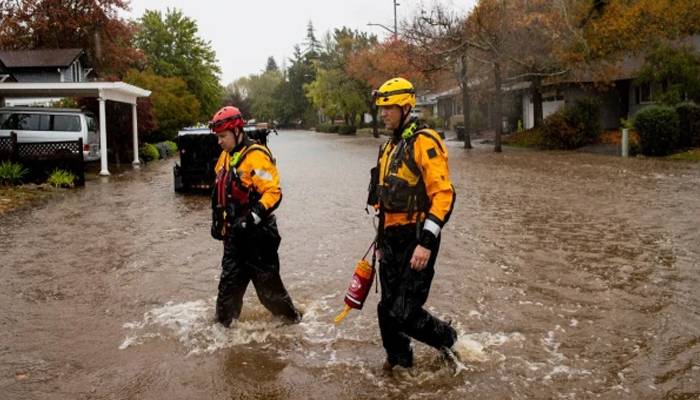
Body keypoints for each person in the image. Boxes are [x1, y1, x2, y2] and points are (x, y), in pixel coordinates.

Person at [367, 77, 458, 370]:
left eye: (389, 108)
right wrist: (380, 244)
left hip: (417, 237)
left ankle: (451, 340)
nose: (383, 114)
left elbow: (443, 196)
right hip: (390, 240)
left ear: (405, 107)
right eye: (381, 108)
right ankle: (399, 366)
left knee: (404, 312)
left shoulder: (424, 141)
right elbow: (381, 203)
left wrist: (426, 244)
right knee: (386, 311)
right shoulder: (390, 147)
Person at [209, 106, 301, 327]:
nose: (219, 141)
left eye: (223, 136)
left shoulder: (256, 156)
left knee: (269, 293)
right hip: (234, 237)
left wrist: (251, 218)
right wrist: (217, 222)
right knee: (227, 292)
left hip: (259, 237)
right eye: (218, 137)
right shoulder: (225, 157)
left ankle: (294, 321)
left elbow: (273, 193)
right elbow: (219, 192)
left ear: (238, 131)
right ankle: (223, 332)